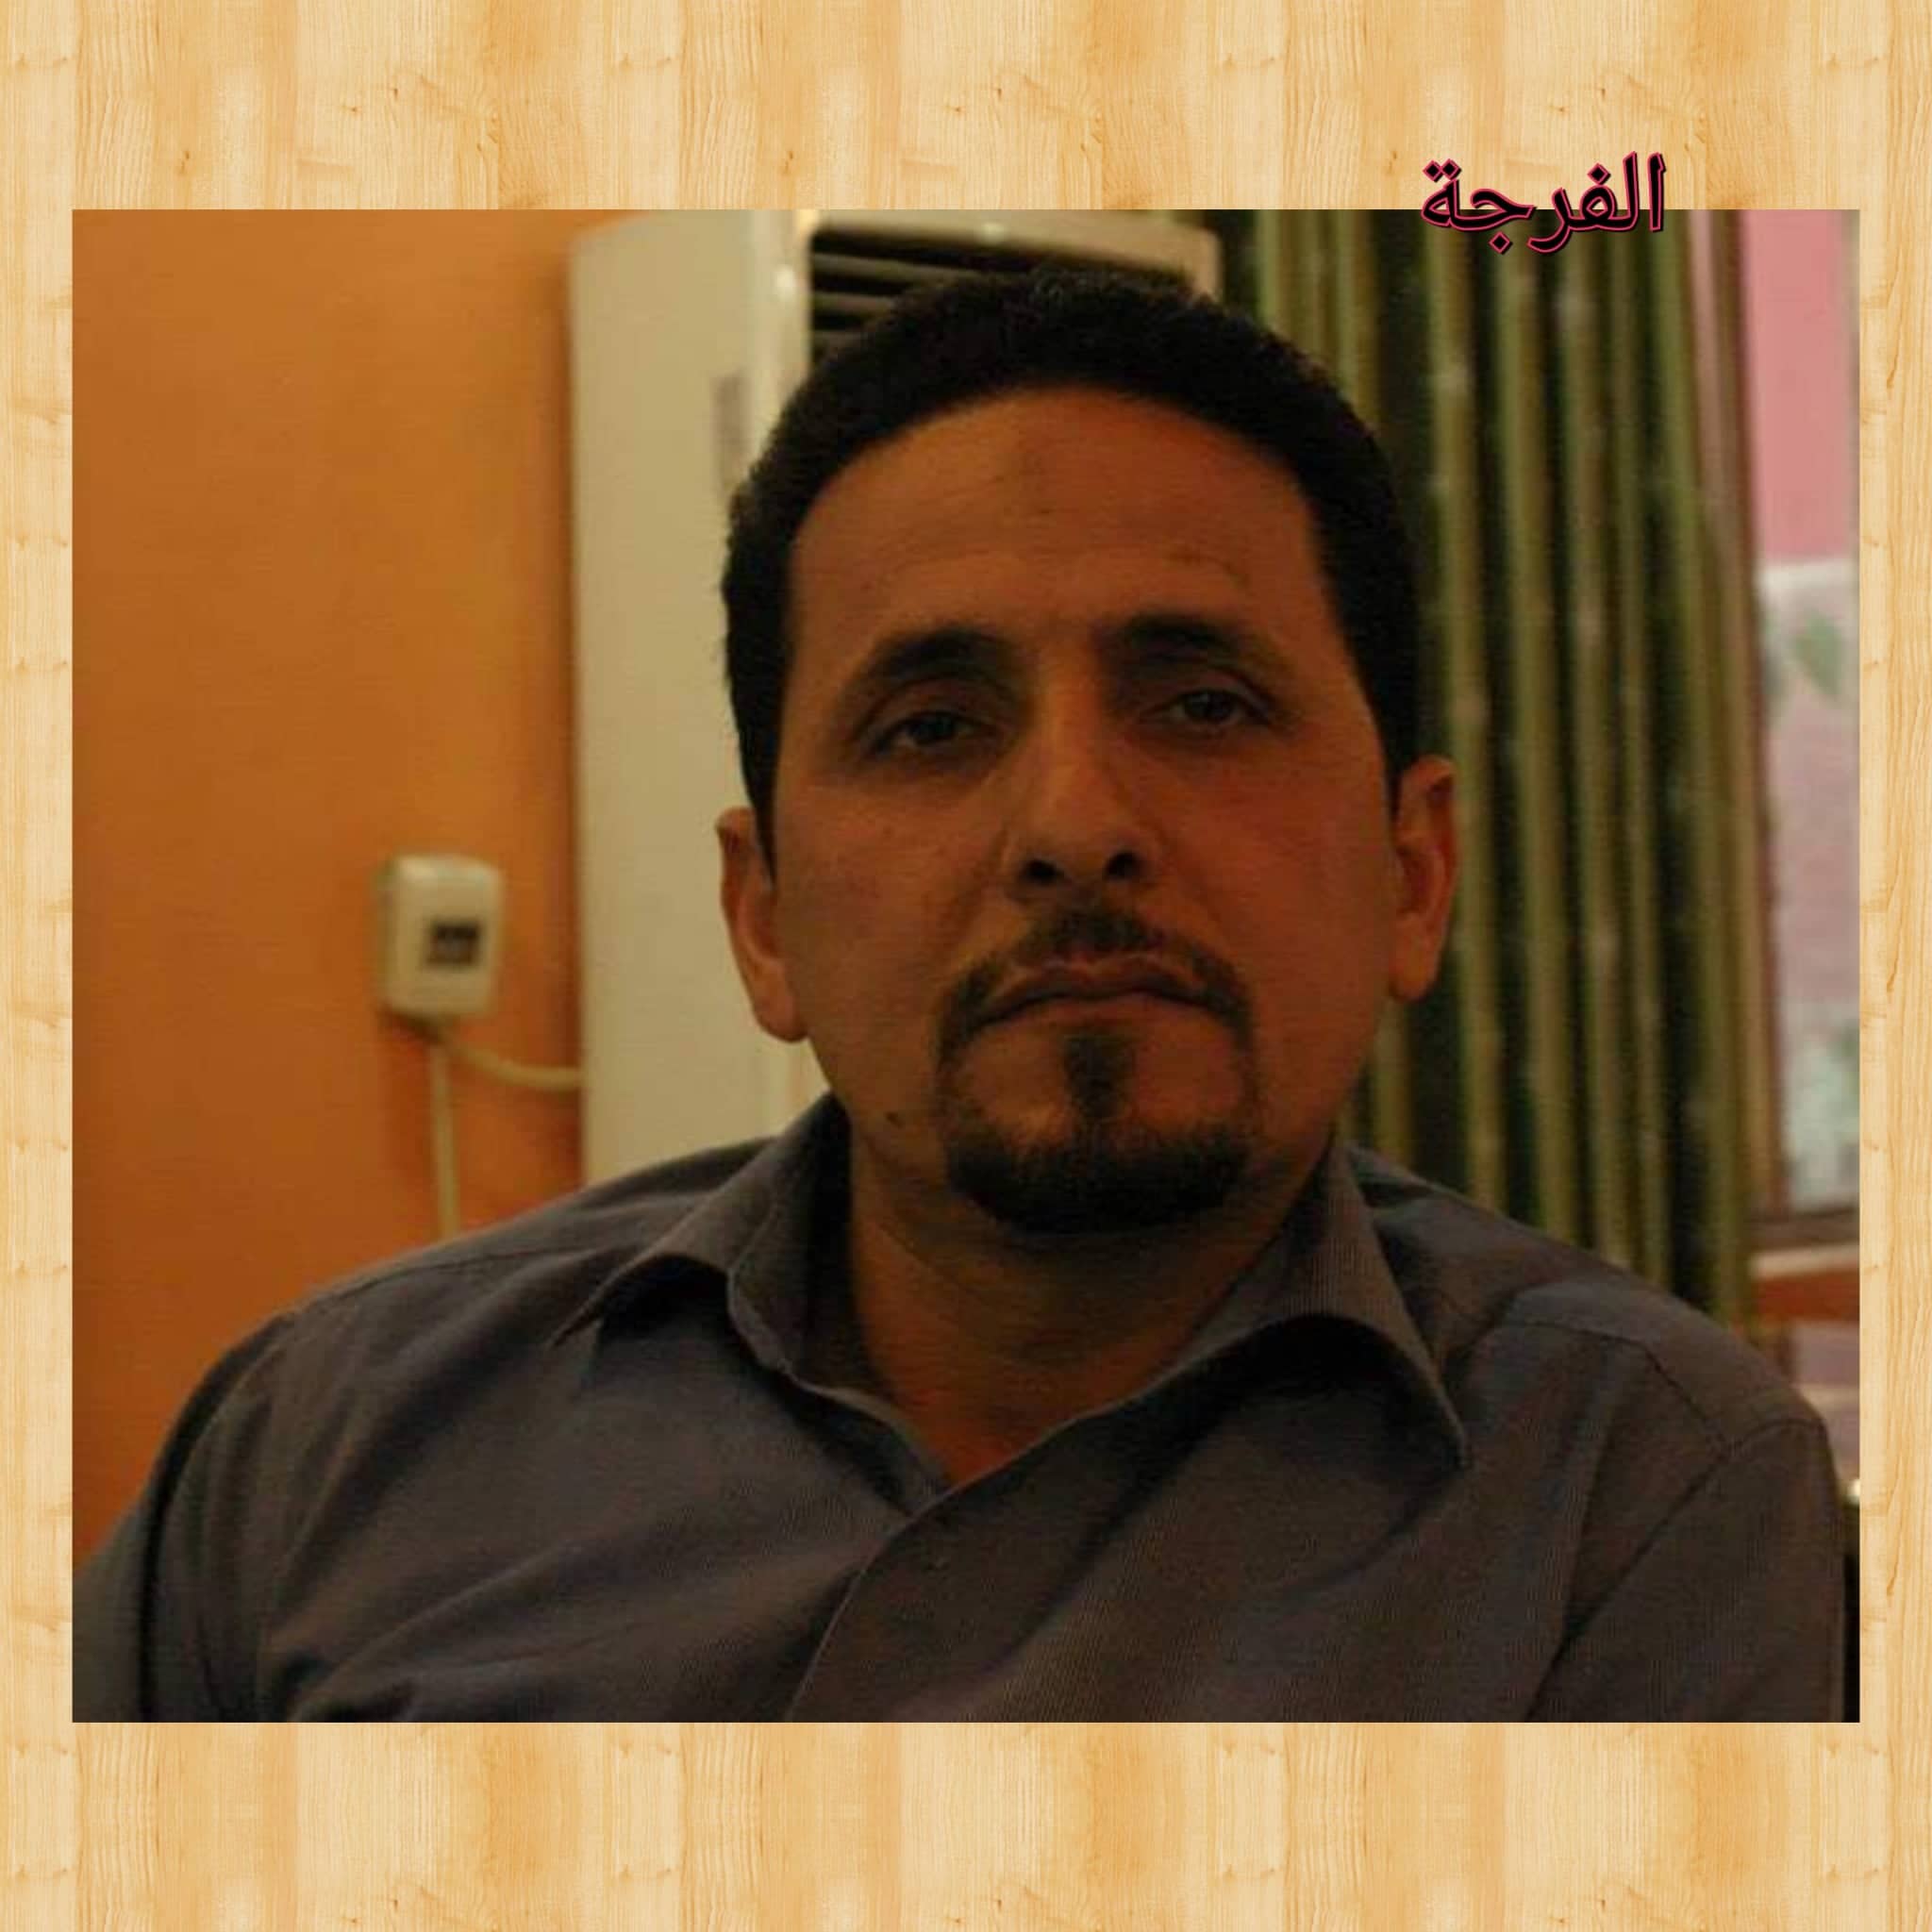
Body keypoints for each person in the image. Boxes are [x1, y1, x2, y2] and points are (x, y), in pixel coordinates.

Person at [74, 264, 1845, 1721]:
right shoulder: (321, 1449)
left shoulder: (1645, 1501)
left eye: (1203, 704)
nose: (1075, 827)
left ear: (1413, 873)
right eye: (931, 728)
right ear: (765, 920)